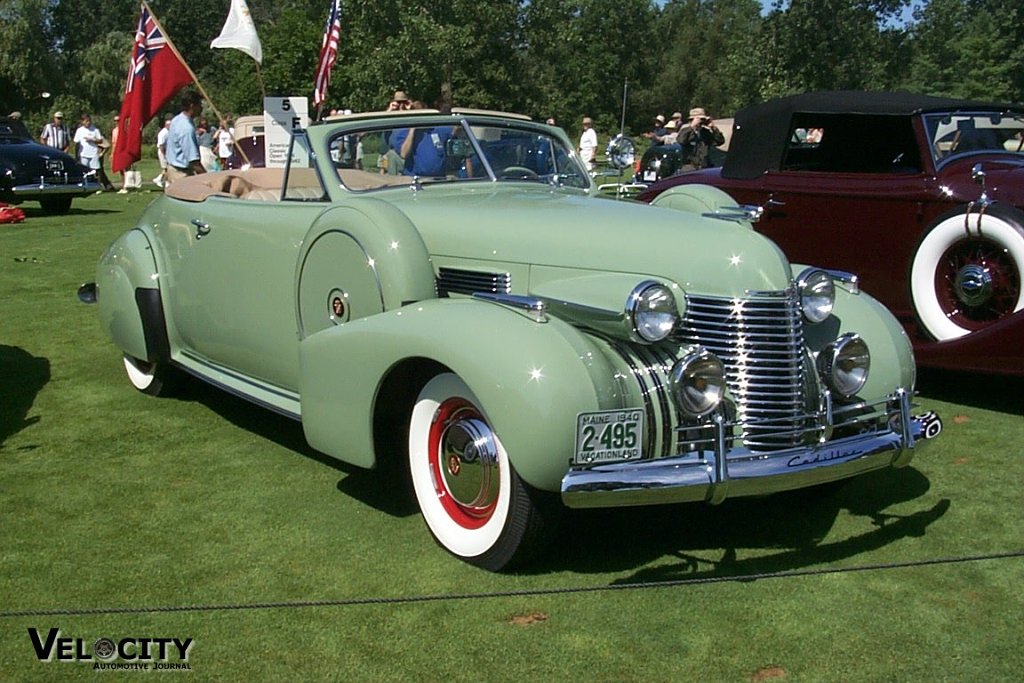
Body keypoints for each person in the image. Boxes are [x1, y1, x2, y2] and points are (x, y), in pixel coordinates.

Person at [164, 91, 206, 184]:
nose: (201, 108)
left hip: (173, 169)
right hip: (181, 174)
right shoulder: (186, 128)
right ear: (192, 106)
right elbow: (193, 160)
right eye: (199, 104)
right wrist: (208, 178)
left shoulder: (177, 119)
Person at [73, 113, 114, 191]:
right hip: (83, 154)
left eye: (89, 121)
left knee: (96, 170)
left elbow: (100, 140)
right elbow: (76, 143)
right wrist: (77, 155)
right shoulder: (79, 130)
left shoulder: (95, 130)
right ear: (82, 121)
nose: (88, 122)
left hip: (94, 153)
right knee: (84, 171)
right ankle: (85, 185)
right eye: (86, 121)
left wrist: (93, 140)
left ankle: (97, 186)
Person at [676, 107, 725, 171]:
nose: (701, 121)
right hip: (690, 166)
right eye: (700, 119)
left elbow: (719, 142)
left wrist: (714, 128)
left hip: (704, 166)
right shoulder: (686, 131)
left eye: (703, 119)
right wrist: (692, 126)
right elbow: (681, 140)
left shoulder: (705, 132)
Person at [154, 115, 171, 187]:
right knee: (166, 168)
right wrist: (164, 155)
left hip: (166, 151)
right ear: (166, 125)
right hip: (162, 152)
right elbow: (161, 145)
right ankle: (163, 180)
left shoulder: (168, 132)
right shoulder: (163, 133)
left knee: (167, 168)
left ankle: (162, 180)